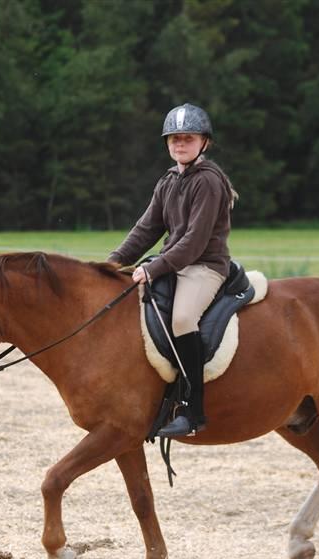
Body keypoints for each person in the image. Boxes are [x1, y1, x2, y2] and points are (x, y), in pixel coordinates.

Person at [108, 103, 237, 437]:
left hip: (204, 267)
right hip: (173, 264)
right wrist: (112, 262)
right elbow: (146, 229)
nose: (180, 144)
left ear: (204, 143)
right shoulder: (168, 180)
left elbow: (194, 241)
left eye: (188, 139)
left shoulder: (208, 181)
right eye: (174, 139)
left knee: (182, 319)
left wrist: (154, 268)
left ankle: (193, 411)